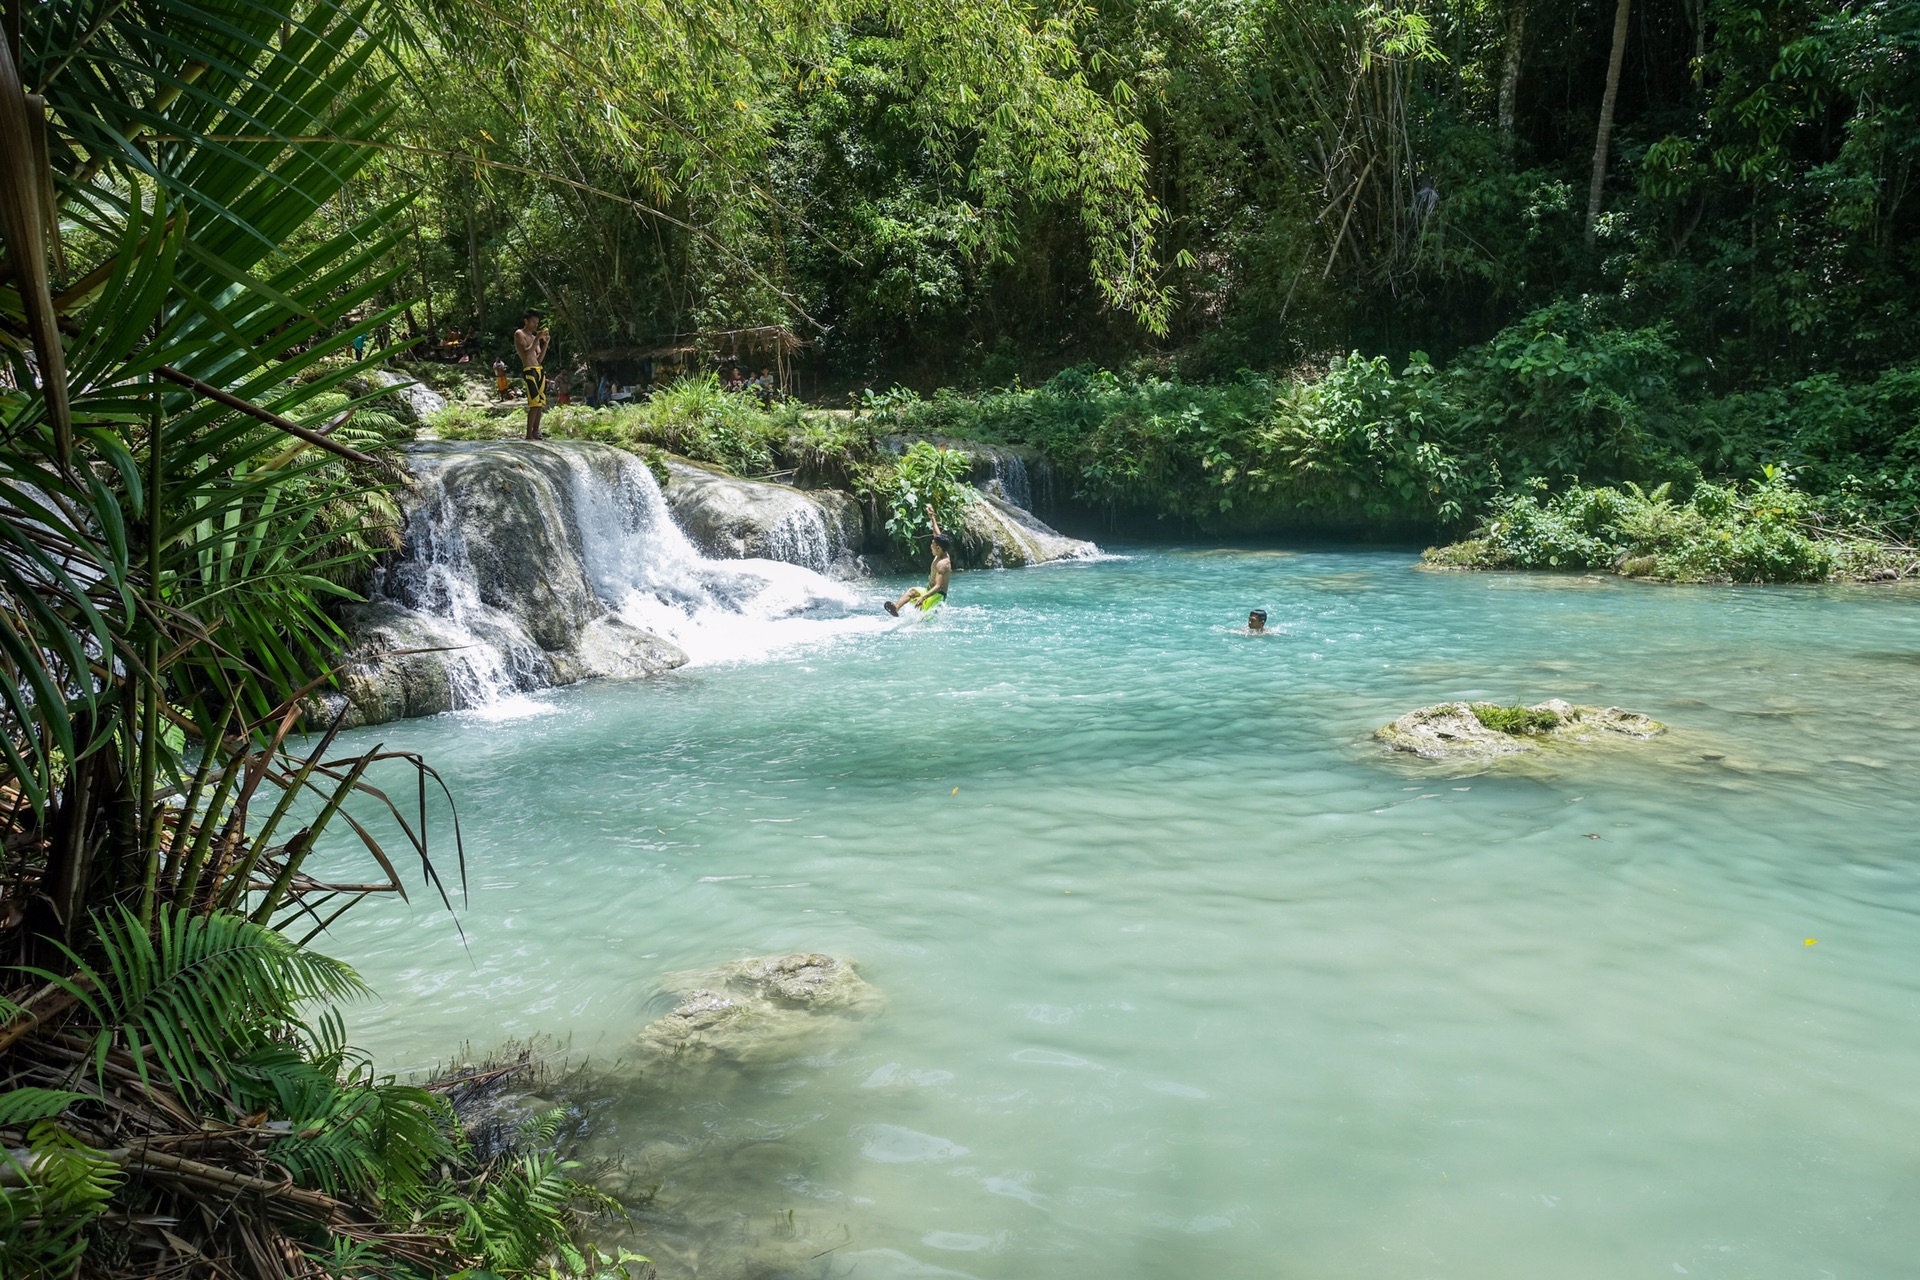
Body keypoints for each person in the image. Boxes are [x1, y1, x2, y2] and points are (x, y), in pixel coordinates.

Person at [886, 504, 953, 616]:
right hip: (928, 590)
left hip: (937, 596)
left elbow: (938, 586)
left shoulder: (943, 564)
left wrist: (923, 597)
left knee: (923, 619)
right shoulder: (941, 551)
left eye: (932, 544)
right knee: (912, 591)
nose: (930, 546)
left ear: (938, 548)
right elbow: (937, 534)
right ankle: (895, 609)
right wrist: (932, 516)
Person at [513, 310, 552, 440]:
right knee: (534, 403)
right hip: (529, 370)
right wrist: (537, 338)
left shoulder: (535, 337)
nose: (536, 325)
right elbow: (527, 353)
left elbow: (539, 358)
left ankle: (536, 431)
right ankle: (529, 434)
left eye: (537, 323)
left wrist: (545, 342)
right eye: (533, 322)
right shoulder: (520, 334)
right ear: (526, 321)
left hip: (539, 370)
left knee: (540, 404)